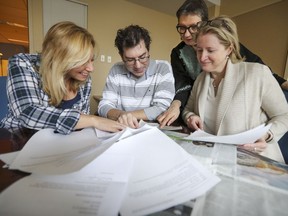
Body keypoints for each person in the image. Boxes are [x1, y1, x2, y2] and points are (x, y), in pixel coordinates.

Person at [157, 0, 288, 127]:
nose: (186, 34)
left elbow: (256, 64)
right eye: (182, 27)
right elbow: (182, 84)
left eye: (193, 27)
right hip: (197, 102)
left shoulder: (247, 65)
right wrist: (178, 107)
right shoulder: (182, 58)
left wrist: (282, 82)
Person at [182, 15, 288, 162]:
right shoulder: (200, 79)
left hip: (254, 163)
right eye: (199, 50)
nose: (202, 57)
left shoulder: (257, 73)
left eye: (210, 50)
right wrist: (190, 117)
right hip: (212, 161)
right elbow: (188, 109)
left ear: (229, 49)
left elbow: (284, 115)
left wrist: (267, 135)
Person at [0, 21, 125, 135]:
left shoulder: (85, 80)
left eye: (92, 60)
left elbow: (81, 124)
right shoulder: (22, 63)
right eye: (83, 61)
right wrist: (93, 120)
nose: (91, 68)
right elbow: (28, 113)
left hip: (60, 144)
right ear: (61, 58)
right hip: (18, 140)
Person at [98, 25, 175, 129]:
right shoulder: (116, 70)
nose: (138, 66)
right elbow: (104, 106)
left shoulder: (162, 68)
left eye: (142, 57)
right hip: (122, 131)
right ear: (121, 56)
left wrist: (126, 116)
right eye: (130, 60)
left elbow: (162, 108)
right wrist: (122, 116)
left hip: (152, 132)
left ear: (148, 50)